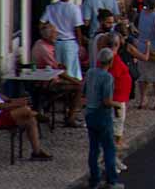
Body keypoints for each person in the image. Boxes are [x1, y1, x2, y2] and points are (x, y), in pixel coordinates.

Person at [0, 62, 53, 161]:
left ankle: (36, 152)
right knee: (25, 109)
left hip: (2, 113)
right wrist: (16, 104)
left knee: (30, 120)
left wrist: (11, 100)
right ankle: (38, 115)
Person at [99, 32, 141, 172]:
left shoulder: (110, 57)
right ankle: (109, 161)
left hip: (119, 98)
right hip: (116, 100)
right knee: (115, 133)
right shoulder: (112, 59)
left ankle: (112, 159)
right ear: (117, 44)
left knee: (116, 132)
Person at [30, 21, 83, 126]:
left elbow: (54, 66)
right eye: (55, 33)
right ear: (49, 35)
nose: (57, 35)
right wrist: (75, 81)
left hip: (47, 78)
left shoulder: (40, 43)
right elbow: (57, 71)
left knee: (74, 83)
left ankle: (66, 112)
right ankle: (71, 118)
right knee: (78, 87)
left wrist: (59, 65)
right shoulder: (44, 49)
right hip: (46, 83)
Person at [85, 48, 121, 189]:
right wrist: (117, 105)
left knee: (93, 149)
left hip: (90, 113)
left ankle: (94, 180)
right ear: (110, 62)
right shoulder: (107, 77)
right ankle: (111, 181)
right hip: (102, 114)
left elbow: (85, 91)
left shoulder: (90, 72)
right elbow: (106, 101)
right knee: (109, 149)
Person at [41, 0, 85, 80]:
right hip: (70, 43)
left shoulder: (51, 8)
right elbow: (78, 29)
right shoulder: (74, 9)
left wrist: (47, 35)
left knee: (58, 71)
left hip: (55, 43)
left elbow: (41, 23)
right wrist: (80, 45)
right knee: (71, 72)